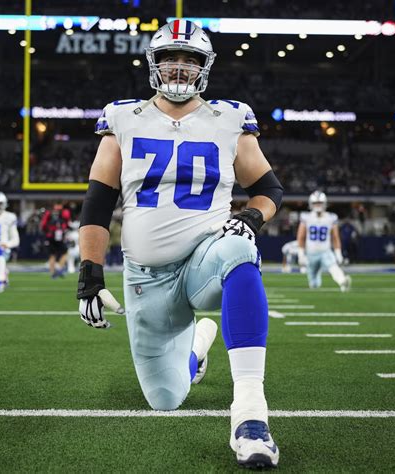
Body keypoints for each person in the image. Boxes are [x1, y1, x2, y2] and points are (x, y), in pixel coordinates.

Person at [76, 20, 283, 469]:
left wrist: (252, 215)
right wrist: (89, 274)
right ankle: (197, 346)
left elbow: (269, 189)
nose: (179, 67)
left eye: (189, 58)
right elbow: (96, 206)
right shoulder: (123, 117)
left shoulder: (228, 117)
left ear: (204, 67)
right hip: (146, 278)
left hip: (205, 260)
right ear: (153, 64)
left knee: (240, 249)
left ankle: (251, 416)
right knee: (165, 399)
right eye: (170, 57)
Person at [297, 191, 351, 291]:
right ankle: (315, 283)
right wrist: (301, 254)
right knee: (314, 284)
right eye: (315, 203)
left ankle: (343, 281)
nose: (318, 205)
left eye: (320, 203)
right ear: (311, 204)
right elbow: (301, 237)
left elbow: (335, 237)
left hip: (325, 251)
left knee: (333, 266)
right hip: (311, 253)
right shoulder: (306, 217)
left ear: (324, 203)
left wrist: (338, 253)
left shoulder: (331, 218)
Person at [40, 202, 71, 278]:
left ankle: (53, 272)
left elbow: (43, 225)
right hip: (58, 235)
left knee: (52, 255)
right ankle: (59, 269)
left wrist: (47, 232)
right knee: (64, 253)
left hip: (50, 236)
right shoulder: (63, 212)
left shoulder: (49, 213)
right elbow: (67, 222)